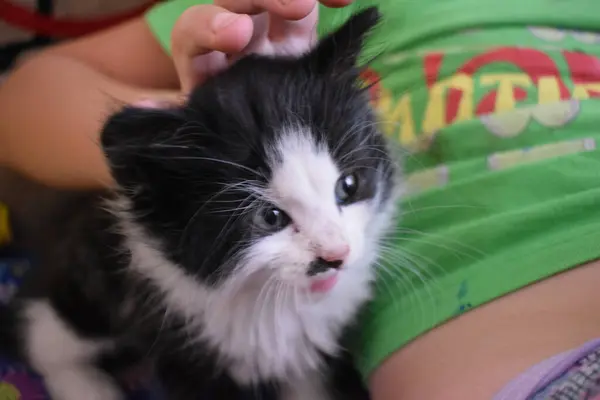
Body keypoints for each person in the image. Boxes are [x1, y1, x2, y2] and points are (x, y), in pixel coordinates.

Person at [3, 0, 600, 398]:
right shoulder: (242, 15)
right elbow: (20, 99)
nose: (338, 247)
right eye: (271, 217)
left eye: (347, 191)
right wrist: (188, 135)